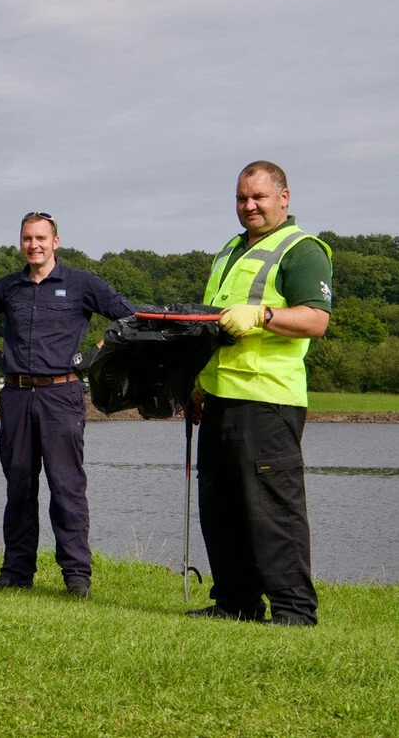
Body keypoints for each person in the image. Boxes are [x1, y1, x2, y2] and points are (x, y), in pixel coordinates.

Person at [188, 161, 332, 626]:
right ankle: (236, 603)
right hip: (219, 395)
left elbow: (316, 319)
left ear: (283, 198)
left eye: (259, 197)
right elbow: (214, 324)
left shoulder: (302, 250)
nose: (248, 206)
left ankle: (294, 612)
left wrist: (263, 315)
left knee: (271, 506)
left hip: (268, 400)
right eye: (241, 198)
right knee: (221, 505)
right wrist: (196, 382)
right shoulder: (229, 250)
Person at [0, 211, 135, 597]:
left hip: (62, 395)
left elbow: (128, 318)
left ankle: (77, 576)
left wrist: (96, 354)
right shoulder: (9, 286)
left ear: (55, 241)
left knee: (67, 487)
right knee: (19, 486)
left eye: (41, 238)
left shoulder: (81, 284)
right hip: (16, 396)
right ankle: (16, 572)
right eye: (28, 238)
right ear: (21, 242)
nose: (34, 245)